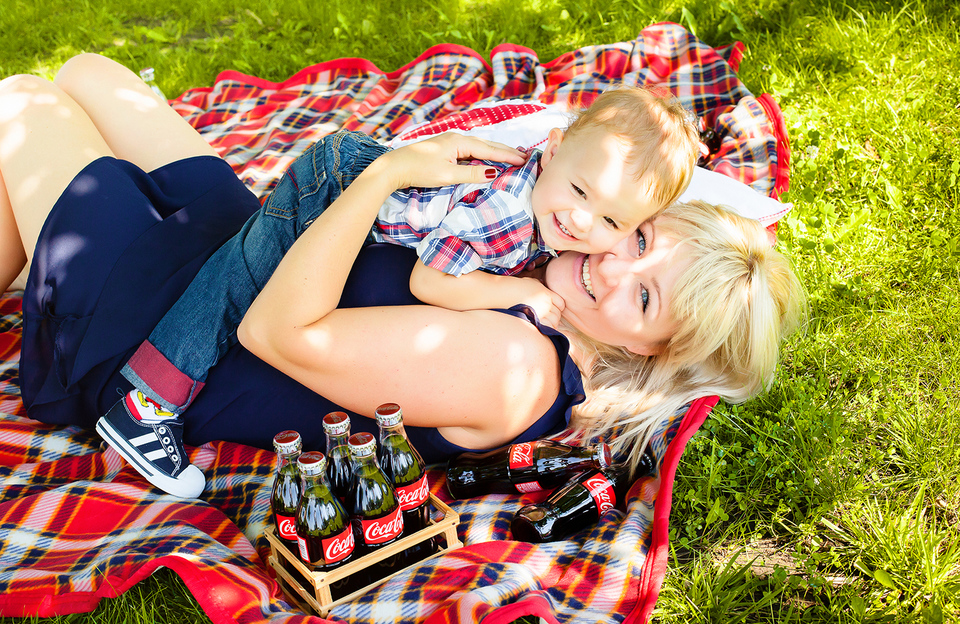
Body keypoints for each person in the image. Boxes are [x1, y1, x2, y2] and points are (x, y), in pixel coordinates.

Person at [0, 54, 804, 499]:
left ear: (656, 351)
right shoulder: (551, 272)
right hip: (239, 252)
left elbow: (272, 333)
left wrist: (380, 178)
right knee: (90, 73)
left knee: (23, 103)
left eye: (643, 293)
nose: (609, 255)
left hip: (169, 343)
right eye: (642, 236)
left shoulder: (519, 368)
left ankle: (71, 309)